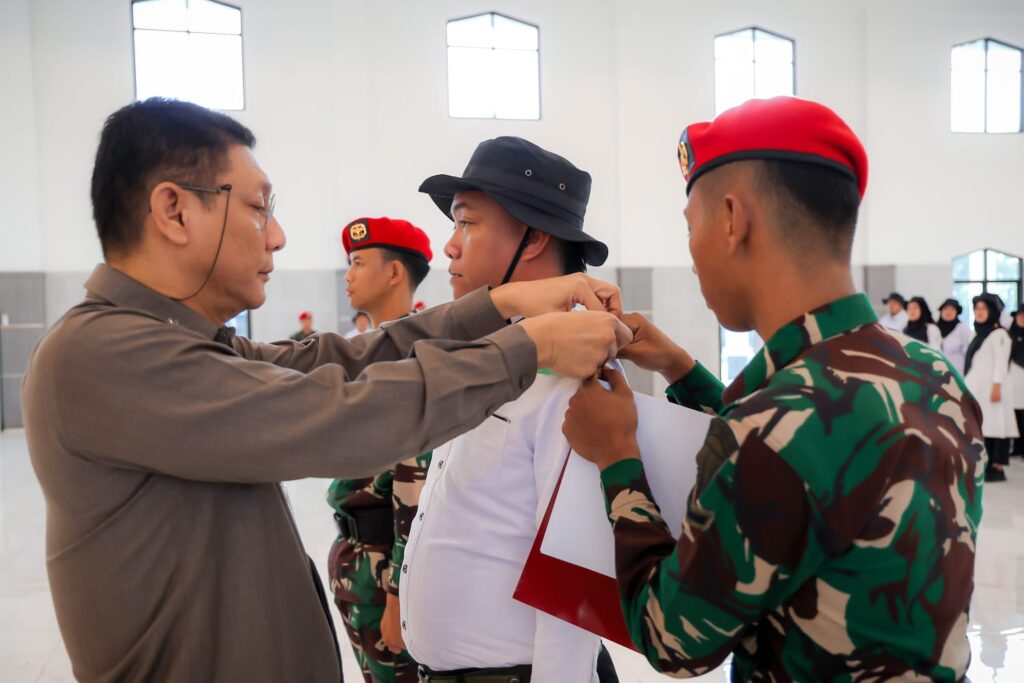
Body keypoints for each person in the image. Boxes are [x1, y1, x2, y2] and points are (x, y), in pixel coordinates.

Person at [20, 98, 631, 683]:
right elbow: (339, 412)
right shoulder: (105, 356)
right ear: (174, 211)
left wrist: (497, 309)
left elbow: (333, 362)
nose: (277, 236)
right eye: (258, 208)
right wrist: (527, 347)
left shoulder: (180, 342)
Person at [562, 97, 985, 681]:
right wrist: (679, 368)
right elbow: (807, 458)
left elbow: (671, 639)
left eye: (691, 225)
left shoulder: (776, 424)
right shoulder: (932, 375)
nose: (691, 258)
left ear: (732, 219)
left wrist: (617, 459)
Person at [400, 136, 616, 683]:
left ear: (534, 237)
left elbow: (575, 571)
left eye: (466, 223)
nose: (450, 246)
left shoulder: (573, 369)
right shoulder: (486, 350)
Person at [328, 216, 435, 683]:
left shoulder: (412, 357)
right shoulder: (367, 353)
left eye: (358, 263)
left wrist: (397, 595)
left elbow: (416, 482)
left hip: (384, 566)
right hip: (358, 561)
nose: (348, 275)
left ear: (394, 273)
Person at [965, 293, 1018, 482]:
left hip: (994, 389)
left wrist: (997, 386)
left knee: (997, 426)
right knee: (985, 427)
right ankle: (984, 465)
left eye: (983, 309)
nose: (979, 312)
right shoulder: (976, 333)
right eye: (977, 309)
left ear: (992, 311)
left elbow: (1001, 363)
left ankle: (997, 467)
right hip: (979, 390)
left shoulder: (999, 334)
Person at [938, 298, 971, 374]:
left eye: (952, 309)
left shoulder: (962, 329)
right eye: (946, 309)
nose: (948, 312)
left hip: (957, 373)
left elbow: (967, 354)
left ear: (957, 312)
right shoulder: (934, 329)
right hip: (936, 373)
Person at [1010, 304, 1024, 458]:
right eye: (1020, 316)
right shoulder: (1010, 334)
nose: (1022, 318)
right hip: (1013, 379)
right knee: (1015, 414)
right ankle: (1017, 447)